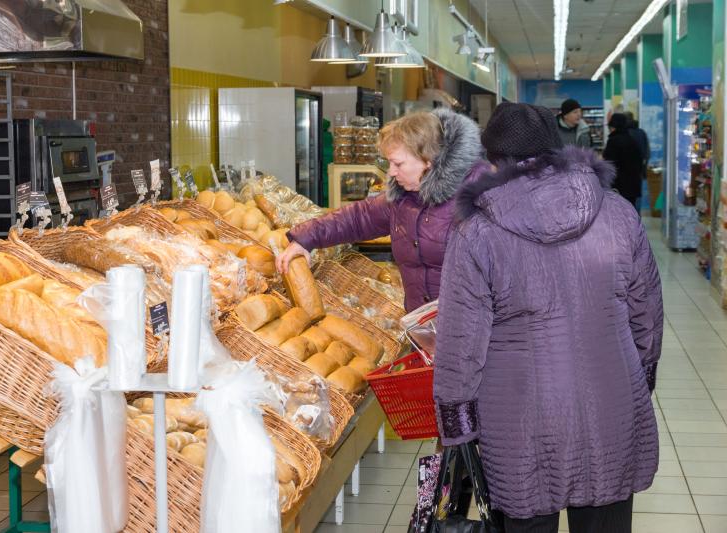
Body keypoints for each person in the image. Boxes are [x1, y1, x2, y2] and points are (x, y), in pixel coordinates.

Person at [434, 103, 662, 533]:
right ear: (557, 149)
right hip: (611, 400)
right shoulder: (616, 212)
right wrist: (640, 376)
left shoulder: (476, 230)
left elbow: (461, 341)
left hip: (519, 419)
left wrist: (457, 422)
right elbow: (646, 314)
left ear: (494, 159)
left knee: (526, 517)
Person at [275, 109, 483, 312]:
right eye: (389, 163)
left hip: (471, 331)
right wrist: (305, 239)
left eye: (398, 163)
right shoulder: (403, 199)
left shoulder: (479, 197)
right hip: (425, 328)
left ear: (428, 161)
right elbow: (358, 218)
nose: (391, 172)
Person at [603, 113, 644, 211]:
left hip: (619, 186)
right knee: (631, 212)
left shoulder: (613, 141)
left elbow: (609, 164)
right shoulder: (632, 139)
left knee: (619, 214)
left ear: (614, 126)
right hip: (633, 185)